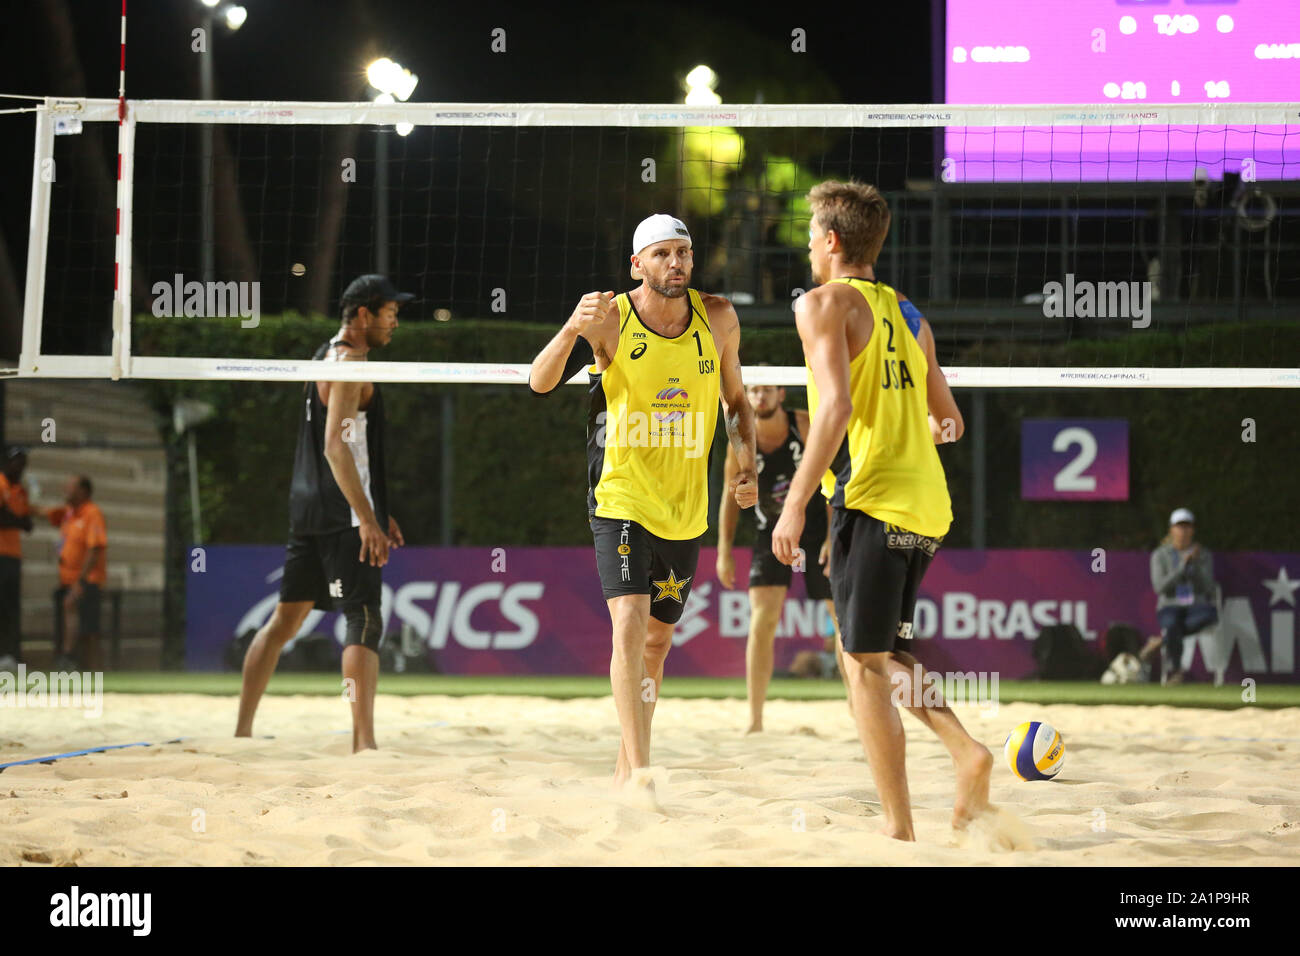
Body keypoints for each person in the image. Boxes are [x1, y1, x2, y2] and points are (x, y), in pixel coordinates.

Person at [772, 180, 993, 841]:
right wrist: (903, 433)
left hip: (871, 498)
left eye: (813, 235)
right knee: (873, 655)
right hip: (927, 505)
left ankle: (964, 752)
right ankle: (899, 826)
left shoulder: (821, 303)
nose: (809, 246)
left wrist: (797, 506)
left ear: (833, 242)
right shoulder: (909, 312)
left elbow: (834, 410)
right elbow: (949, 422)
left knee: (866, 654)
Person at [529, 214, 758, 791]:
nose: (675, 263)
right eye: (661, 254)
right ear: (637, 264)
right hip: (621, 494)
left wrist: (746, 463)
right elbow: (539, 381)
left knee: (658, 640)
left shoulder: (720, 317)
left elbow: (736, 403)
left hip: (685, 507)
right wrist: (570, 329)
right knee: (628, 626)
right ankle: (644, 773)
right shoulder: (609, 316)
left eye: (682, 252)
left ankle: (624, 769)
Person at [235, 274, 410, 752]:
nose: (395, 321)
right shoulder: (350, 363)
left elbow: (342, 443)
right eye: (389, 312)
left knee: (282, 623)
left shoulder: (322, 355)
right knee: (363, 619)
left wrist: (375, 509)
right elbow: (337, 447)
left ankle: (242, 732)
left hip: (307, 508)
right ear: (362, 315)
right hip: (341, 515)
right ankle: (364, 744)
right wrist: (367, 519)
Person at [716, 383, 848, 733]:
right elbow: (731, 496)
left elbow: (832, 478)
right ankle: (755, 720)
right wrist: (724, 551)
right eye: (753, 391)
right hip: (770, 534)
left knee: (843, 624)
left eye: (767, 390)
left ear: (781, 394)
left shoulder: (802, 424)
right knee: (761, 621)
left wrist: (834, 540)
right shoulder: (742, 436)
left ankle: (858, 714)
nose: (759, 397)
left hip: (817, 533)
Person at [1143, 508, 1217, 684]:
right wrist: (1181, 568)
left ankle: (1162, 640)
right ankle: (1176, 671)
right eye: (1179, 526)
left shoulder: (1203, 555)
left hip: (1196, 605)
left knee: (1209, 616)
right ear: (1171, 530)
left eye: (1187, 526)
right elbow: (1160, 587)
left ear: (1193, 530)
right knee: (1171, 623)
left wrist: (1196, 565)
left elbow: (1207, 587)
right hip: (1170, 605)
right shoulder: (1160, 555)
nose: (1183, 531)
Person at [43, 475, 108, 671]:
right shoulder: (70, 514)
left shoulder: (92, 513)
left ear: (83, 492)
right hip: (68, 579)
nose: (66, 489)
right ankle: (70, 660)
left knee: (90, 630)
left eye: (71, 487)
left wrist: (80, 582)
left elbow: (95, 548)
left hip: (87, 579)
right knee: (73, 618)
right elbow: (45, 513)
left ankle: (91, 669)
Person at [0, 447, 35, 671]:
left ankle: (11, 656)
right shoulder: (0, 483)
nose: (20, 468)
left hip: (13, 555)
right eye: (16, 462)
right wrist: (19, 521)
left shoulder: (21, 491)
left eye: (23, 463)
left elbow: (27, 522)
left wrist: (19, 520)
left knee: (11, 607)